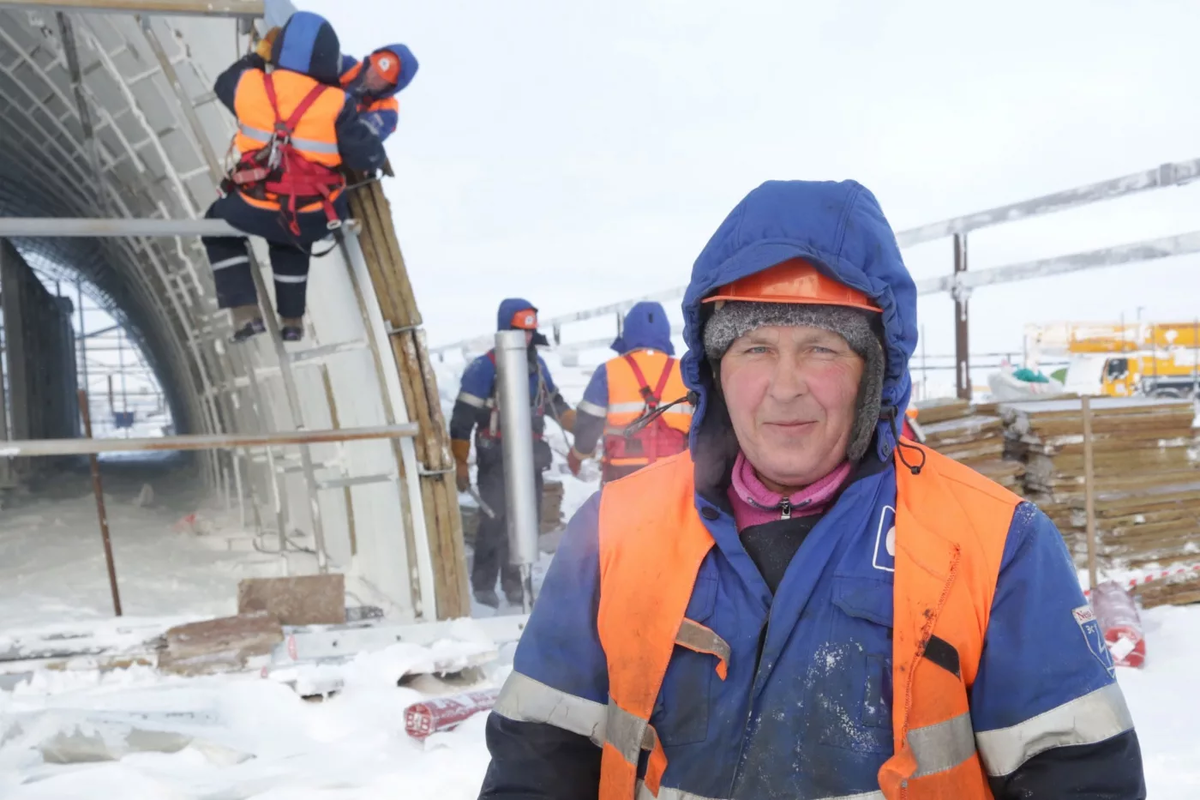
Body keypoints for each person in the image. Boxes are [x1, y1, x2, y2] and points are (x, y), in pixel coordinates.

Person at [478, 180, 1145, 799]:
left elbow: (1079, 777)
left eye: (823, 347)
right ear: (715, 368)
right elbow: (539, 759)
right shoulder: (612, 532)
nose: (786, 386)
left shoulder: (996, 545)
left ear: (874, 371)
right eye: (755, 348)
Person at [204, 12, 387, 343]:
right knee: (293, 235)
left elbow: (223, 83)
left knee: (215, 227)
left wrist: (256, 56)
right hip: (315, 215)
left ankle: (246, 314)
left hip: (254, 206)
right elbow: (367, 155)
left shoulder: (250, 85)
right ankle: (292, 322)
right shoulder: (337, 103)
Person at [450, 299, 575, 608]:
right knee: (494, 519)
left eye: (531, 332)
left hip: (530, 456)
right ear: (507, 329)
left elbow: (557, 406)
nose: (527, 338)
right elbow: (461, 420)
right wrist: (460, 462)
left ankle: (514, 582)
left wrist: (585, 431)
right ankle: (483, 584)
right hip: (496, 457)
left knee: (526, 519)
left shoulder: (538, 368)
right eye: (521, 331)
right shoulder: (483, 369)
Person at [568, 301, 691, 483]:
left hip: (622, 477)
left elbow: (589, 423)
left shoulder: (608, 371)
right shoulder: (684, 372)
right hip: (673, 477)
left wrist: (578, 454)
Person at [339, 45, 418, 142]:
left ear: (391, 86)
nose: (372, 76)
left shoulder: (387, 112)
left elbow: (359, 138)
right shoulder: (351, 67)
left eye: (380, 78)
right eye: (373, 69)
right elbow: (322, 57)